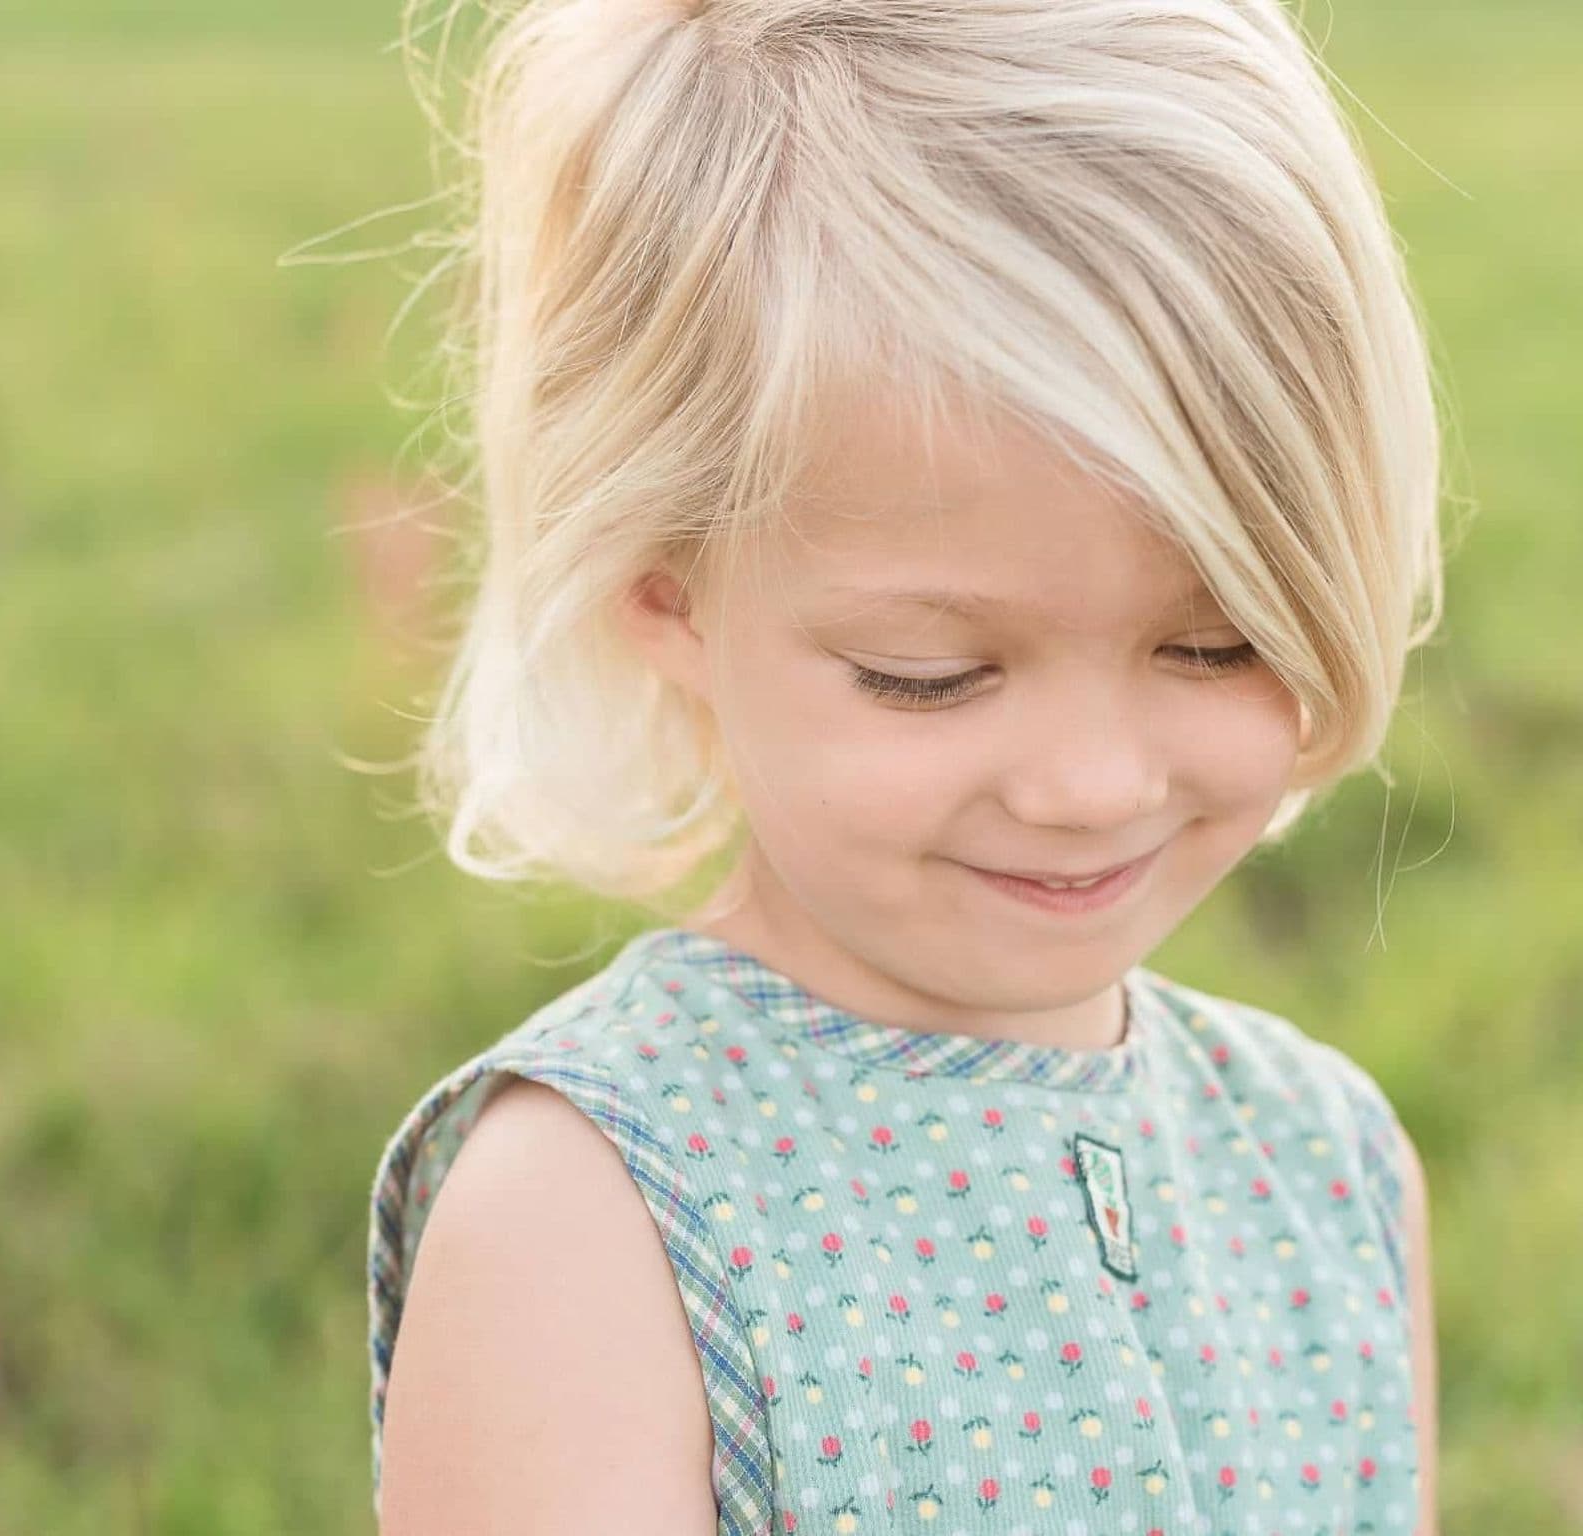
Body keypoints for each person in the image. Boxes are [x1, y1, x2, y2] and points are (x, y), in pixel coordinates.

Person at [361, 0, 1452, 1531]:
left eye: (1214, 647)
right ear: (667, 590)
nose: (1089, 785)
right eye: (930, 676)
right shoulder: (592, 1216)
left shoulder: (1323, 1163)